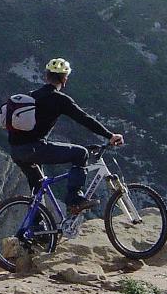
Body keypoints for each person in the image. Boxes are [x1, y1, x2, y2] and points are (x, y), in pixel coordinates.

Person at [7, 58, 124, 215]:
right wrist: (110, 135)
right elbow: (84, 118)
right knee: (81, 153)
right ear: (64, 78)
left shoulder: (31, 96)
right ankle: (74, 200)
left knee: (38, 187)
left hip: (17, 151)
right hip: (34, 148)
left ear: (46, 76)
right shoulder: (60, 99)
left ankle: (36, 230)